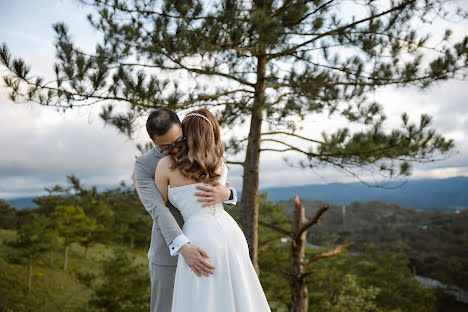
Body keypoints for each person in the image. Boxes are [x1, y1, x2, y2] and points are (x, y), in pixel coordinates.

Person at [155, 108, 270, 312]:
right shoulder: (219, 163)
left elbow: (160, 208)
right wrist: (227, 194)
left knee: (203, 301)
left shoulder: (166, 165)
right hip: (231, 234)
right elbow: (225, 191)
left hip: (199, 237)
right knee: (238, 296)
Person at [132, 108, 238, 312]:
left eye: (178, 142)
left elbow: (222, 182)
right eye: (165, 147)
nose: (175, 150)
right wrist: (183, 248)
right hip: (169, 253)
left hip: (209, 249)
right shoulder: (144, 165)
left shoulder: (197, 148)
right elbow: (157, 209)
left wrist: (228, 194)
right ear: (153, 141)